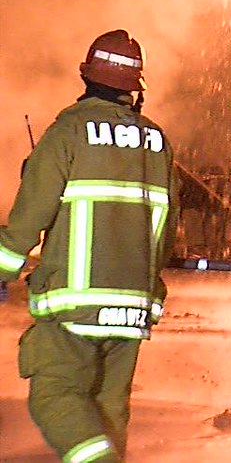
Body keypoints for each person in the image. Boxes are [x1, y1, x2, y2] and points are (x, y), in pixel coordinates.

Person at [0, 30, 176, 462]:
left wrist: (3, 269)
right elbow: (167, 227)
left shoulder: (68, 132)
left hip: (74, 304)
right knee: (107, 411)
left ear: (86, 76)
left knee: (55, 396)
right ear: (135, 88)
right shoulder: (157, 142)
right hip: (134, 306)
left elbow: (28, 219)